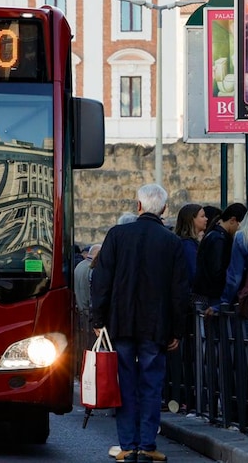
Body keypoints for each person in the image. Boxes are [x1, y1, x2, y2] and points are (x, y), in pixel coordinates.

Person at [91, 184, 190, 463]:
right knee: (151, 384)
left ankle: (127, 445)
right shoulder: (171, 242)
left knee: (125, 384)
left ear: (138, 206)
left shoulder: (117, 235)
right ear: (164, 210)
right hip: (155, 327)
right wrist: (177, 330)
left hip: (120, 324)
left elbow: (102, 281)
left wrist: (98, 319)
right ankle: (147, 445)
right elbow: (179, 291)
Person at [195, 203, 247, 313]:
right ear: (232, 220)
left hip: (209, 294)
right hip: (214, 296)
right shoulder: (219, 239)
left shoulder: (214, 235)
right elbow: (217, 271)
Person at [173, 204, 207, 287]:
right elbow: (194, 273)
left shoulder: (188, 242)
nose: (206, 219)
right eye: (202, 216)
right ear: (192, 219)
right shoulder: (187, 245)